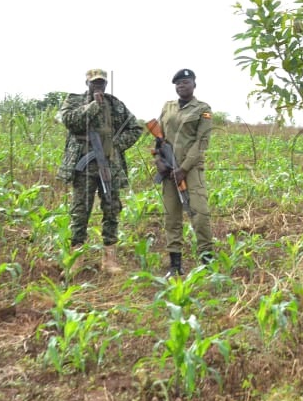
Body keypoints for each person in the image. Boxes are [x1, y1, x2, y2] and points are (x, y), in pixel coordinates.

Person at [56, 69, 143, 273]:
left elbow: (135, 128)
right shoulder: (74, 101)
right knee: (80, 210)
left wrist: (116, 145)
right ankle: (76, 257)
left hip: (109, 165)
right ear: (87, 83)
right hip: (83, 166)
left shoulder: (115, 105)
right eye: (94, 83)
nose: (99, 86)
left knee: (112, 209)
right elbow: (70, 120)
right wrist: (93, 105)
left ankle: (109, 258)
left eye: (102, 83)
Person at [155, 68, 214, 275]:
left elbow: (201, 142)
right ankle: (175, 265)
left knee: (200, 214)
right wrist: (159, 161)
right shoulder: (167, 107)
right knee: (172, 217)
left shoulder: (203, 109)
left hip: (191, 169)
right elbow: (159, 137)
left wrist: (184, 168)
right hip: (169, 170)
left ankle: (207, 262)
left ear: (194, 85)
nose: (181, 86)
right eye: (178, 83)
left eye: (186, 82)